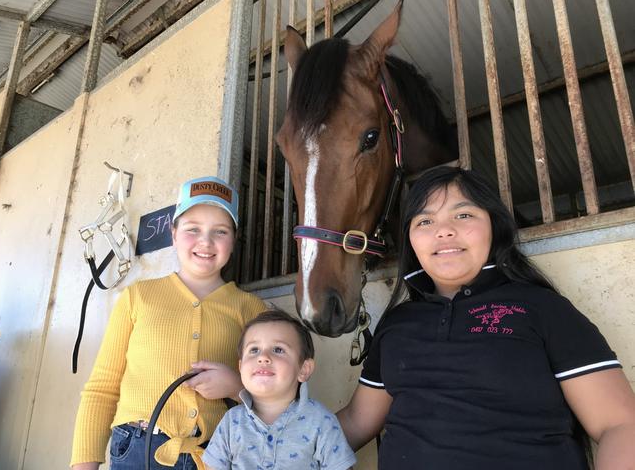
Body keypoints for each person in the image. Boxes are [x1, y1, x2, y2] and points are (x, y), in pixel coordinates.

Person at [337, 166, 635, 469]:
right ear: (411, 240)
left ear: (495, 225)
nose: (443, 230)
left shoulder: (543, 308)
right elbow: (356, 422)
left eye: (463, 215)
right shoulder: (396, 323)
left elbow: (620, 426)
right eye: (425, 220)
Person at [71, 176, 267, 470]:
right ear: (173, 234)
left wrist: (236, 386)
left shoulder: (252, 310)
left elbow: (275, 396)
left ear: (233, 241)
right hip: (137, 448)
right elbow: (102, 388)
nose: (206, 241)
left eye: (220, 231)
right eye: (192, 229)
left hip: (217, 453)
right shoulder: (138, 296)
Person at [202, 309, 356, 470]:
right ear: (240, 367)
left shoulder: (321, 420)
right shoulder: (231, 421)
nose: (263, 357)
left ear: (304, 369)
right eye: (254, 350)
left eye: (278, 349)